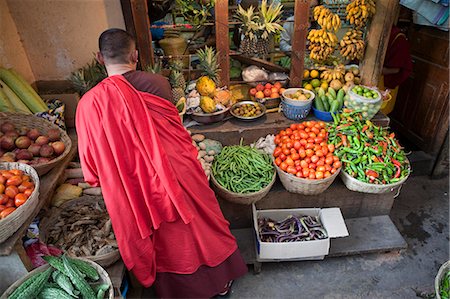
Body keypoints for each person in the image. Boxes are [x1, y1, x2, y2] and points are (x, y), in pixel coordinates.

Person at [76, 28, 248, 298]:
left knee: (165, 240)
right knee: (202, 225)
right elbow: (174, 130)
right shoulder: (158, 83)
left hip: (134, 184)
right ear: (135, 56)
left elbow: (91, 164)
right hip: (178, 170)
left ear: (100, 58)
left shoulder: (88, 104)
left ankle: (176, 291)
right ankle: (219, 282)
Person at [379, 25, 413, 114]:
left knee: (381, 110)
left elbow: (396, 70)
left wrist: (377, 69)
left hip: (386, 82)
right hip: (376, 79)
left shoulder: (398, 39)